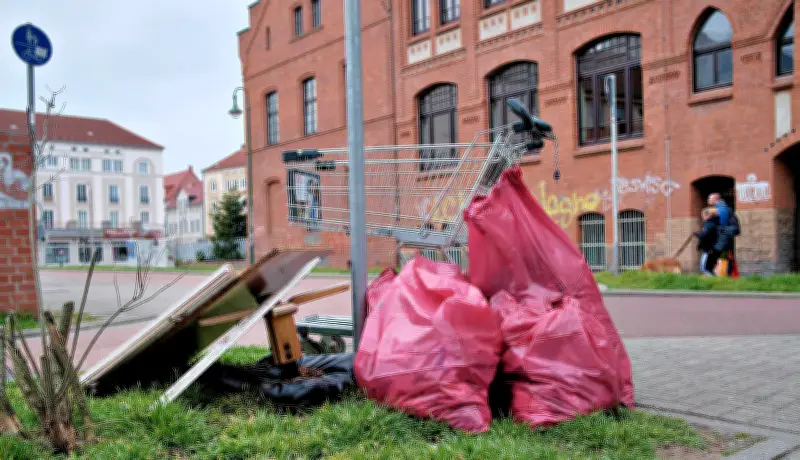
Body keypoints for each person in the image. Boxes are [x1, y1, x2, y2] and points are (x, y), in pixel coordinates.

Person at [695, 208, 719, 276]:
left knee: (704, 268)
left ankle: (714, 280)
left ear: (708, 215)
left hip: (709, 250)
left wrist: (697, 234)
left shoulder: (709, 224)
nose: (702, 217)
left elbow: (704, 235)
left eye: (703, 216)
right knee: (707, 268)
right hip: (710, 249)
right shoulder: (712, 223)